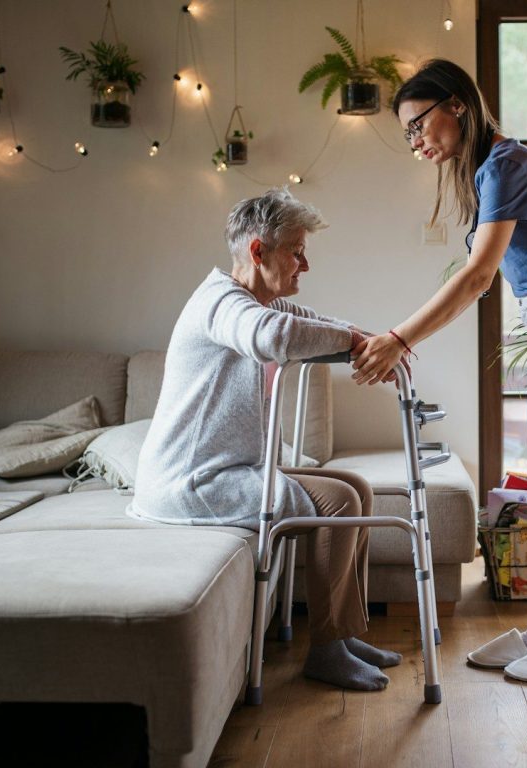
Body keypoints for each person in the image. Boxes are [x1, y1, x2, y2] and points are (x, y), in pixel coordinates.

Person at [351, 59, 527, 683]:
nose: (417, 142)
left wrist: (399, 337)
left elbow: (480, 276)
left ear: (456, 104)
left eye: (418, 124)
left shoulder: (505, 163)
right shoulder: (487, 170)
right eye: (407, 135)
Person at [130, 188, 401, 691]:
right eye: (296, 251)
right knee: (340, 502)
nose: (305, 263)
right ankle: (325, 651)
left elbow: (308, 322)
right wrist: (355, 343)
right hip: (194, 482)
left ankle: (341, 635)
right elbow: (272, 336)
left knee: (356, 489)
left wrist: (367, 339)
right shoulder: (222, 303)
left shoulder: (249, 300)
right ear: (259, 251)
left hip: (230, 469)